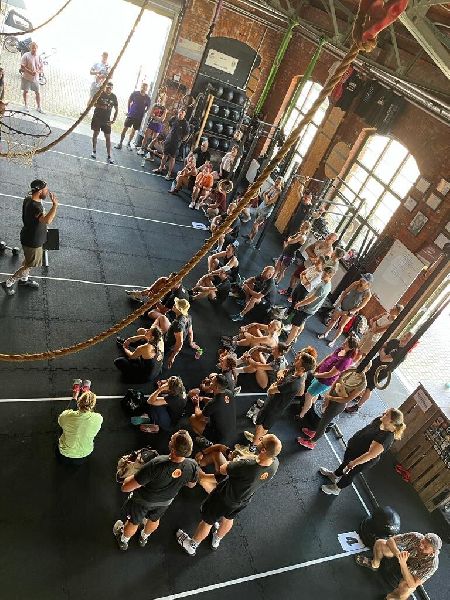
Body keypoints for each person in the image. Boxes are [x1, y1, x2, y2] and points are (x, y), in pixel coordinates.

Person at [176, 433, 282, 555]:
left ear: (263, 450)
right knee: (228, 518)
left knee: (208, 521)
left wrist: (238, 460)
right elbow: (257, 463)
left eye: (261, 440)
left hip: (224, 498)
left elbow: (223, 469)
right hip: (243, 500)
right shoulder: (275, 463)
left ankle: (192, 545)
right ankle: (217, 539)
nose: (259, 439)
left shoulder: (246, 466)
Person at [113, 430, 198, 550]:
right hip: (165, 502)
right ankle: (144, 538)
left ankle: (123, 540)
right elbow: (191, 485)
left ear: (173, 449)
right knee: (154, 519)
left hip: (143, 501)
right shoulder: (192, 465)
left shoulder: (156, 464)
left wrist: (131, 475)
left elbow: (126, 487)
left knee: (133, 522)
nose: (170, 439)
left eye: (172, 439)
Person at [319, 408, 405, 495]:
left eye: (386, 414)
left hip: (361, 459)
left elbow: (370, 454)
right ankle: (334, 476)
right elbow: (366, 431)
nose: (383, 414)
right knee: (345, 463)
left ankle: (337, 488)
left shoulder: (386, 438)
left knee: (349, 474)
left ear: (392, 422)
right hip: (354, 450)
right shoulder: (379, 420)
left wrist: (354, 463)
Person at [244, 350, 317, 449]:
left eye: (299, 360)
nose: (296, 358)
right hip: (273, 401)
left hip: (274, 407)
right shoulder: (294, 369)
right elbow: (281, 372)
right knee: (263, 423)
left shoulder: (294, 383)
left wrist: (276, 383)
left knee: (261, 424)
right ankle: (256, 439)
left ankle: (253, 445)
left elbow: (270, 390)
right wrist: (280, 376)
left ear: (302, 368)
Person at [2, 180, 58, 296]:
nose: (47, 191)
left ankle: (24, 280)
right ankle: (8, 283)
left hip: (28, 236)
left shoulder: (28, 199)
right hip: (33, 242)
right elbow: (47, 220)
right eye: (45, 189)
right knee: (29, 265)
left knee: (28, 261)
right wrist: (55, 206)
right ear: (39, 191)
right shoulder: (36, 206)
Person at [297, 365, 369, 449]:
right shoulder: (351, 369)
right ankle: (314, 432)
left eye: (364, 366)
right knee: (322, 417)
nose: (361, 366)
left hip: (338, 405)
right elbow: (337, 381)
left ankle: (312, 442)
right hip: (332, 396)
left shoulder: (362, 384)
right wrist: (328, 396)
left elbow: (347, 399)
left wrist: (331, 398)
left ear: (367, 369)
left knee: (324, 423)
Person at [355, 531, 441, 600]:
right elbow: (390, 540)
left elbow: (413, 584)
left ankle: (390, 598)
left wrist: (403, 564)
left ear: (432, 552)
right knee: (380, 543)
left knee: (407, 589)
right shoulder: (415, 537)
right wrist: (398, 554)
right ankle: (374, 564)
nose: (421, 546)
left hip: (409, 573)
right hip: (400, 557)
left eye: (425, 547)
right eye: (422, 542)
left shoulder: (432, 565)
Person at [346, 332, 414, 414]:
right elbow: (381, 346)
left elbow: (384, 358)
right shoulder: (395, 341)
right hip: (376, 362)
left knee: (369, 387)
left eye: (407, 338)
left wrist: (382, 350)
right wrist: (382, 350)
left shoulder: (402, 353)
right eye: (405, 336)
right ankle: (357, 395)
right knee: (363, 378)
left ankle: (357, 406)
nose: (405, 338)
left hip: (382, 371)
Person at [296, 335, 359, 421]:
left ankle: (301, 415)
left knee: (309, 394)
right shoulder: (341, 349)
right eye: (345, 341)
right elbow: (328, 357)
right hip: (320, 374)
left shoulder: (345, 361)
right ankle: (308, 408)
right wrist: (318, 367)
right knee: (313, 394)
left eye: (346, 344)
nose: (343, 343)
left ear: (351, 348)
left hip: (325, 381)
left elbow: (331, 374)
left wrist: (317, 375)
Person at [318, 273, 373, 347]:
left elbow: (360, 306)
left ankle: (333, 341)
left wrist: (349, 312)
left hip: (350, 311)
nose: (362, 280)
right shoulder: (355, 283)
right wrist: (339, 302)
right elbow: (345, 292)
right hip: (342, 305)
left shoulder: (368, 294)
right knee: (333, 320)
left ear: (368, 283)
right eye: (362, 278)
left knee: (341, 326)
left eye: (364, 280)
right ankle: (325, 333)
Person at [285, 267, 335, 346]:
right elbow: (312, 294)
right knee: (301, 323)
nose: (322, 275)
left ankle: (287, 344)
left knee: (295, 326)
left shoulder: (323, 287)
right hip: (309, 308)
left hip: (308, 309)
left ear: (330, 276)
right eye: (323, 273)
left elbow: (311, 299)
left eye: (325, 275)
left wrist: (299, 304)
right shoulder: (326, 283)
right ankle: (295, 337)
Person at [281, 232, 338, 297]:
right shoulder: (320, 242)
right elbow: (307, 249)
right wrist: (313, 257)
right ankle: (289, 292)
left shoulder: (329, 251)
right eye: (328, 236)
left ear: (333, 241)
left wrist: (312, 255)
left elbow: (317, 261)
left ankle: (294, 298)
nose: (327, 238)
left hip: (313, 270)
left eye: (330, 238)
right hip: (307, 263)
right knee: (294, 276)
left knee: (302, 284)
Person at [150, 297, 199, 368]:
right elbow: (190, 332)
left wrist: (172, 356)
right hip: (171, 333)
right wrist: (191, 343)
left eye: (175, 305)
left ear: (179, 310)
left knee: (143, 331)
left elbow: (180, 343)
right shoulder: (188, 317)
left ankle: (151, 334)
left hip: (167, 342)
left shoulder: (178, 324)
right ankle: (152, 331)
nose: (173, 305)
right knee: (162, 317)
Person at [189, 373, 236, 445]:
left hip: (219, 438)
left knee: (193, 418)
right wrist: (203, 399)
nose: (209, 382)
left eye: (212, 382)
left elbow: (199, 417)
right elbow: (218, 402)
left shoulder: (213, 403)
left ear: (216, 387)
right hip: (231, 433)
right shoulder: (228, 393)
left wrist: (196, 404)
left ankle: (208, 441)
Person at [57, 391, 103, 465]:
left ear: (78, 402)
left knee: (63, 425)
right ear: (93, 405)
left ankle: (74, 396)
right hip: (84, 454)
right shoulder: (98, 418)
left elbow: (60, 422)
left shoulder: (65, 416)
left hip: (64, 453)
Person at [244, 177, 284, 243]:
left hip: (266, 210)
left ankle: (251, 239)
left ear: (281, 183)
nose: (276, 183)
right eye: (276, 181)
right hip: (262, 206)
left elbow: (268, 202)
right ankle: (249, 235)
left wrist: (266, 196)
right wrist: (266, 197)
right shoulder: (273, 187)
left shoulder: (279, 192)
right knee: (255, 222)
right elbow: (263, 194)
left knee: (256, 224)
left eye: (278, 182)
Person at [153, 108, 189, 180]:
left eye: (182, 113)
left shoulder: (185, 123)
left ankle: (169, 174)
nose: (180, 113)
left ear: (184, 114)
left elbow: (187, 134)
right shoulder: (173, 118)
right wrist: (170, 134)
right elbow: (170, 126)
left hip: (176, 143)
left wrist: (181, 140)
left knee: (172, 158)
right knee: (165, 155)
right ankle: (160, 168)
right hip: (169, 140)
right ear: (178, 112)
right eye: (180, 112)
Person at [115, 83, 150, 150]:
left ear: (146, 89)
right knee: (125, 129)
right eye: (142, 87)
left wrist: (143, 112)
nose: (143, 88)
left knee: (133, 131)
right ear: (141, 87)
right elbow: (129, 101)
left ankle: (128, 143)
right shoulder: (135, 93)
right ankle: (120, 143)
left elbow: (148, 107)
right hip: (131, 115)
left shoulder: (147, 98)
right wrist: (129, 110)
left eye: (145, 87)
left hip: (139, 118)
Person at [90, 81, 118, 164]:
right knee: (96, 134)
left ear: (112, 88)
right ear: (105, 87)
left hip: (107, 120)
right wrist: (101, 106)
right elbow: (93, 103)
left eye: (110, 88)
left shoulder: (113, 97)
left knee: (108, 137)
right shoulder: (100, 93)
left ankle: (109, 156)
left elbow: (116, 109)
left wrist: (113, 120)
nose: (108, 89)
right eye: (107, 87)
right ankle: (94, 151)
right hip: (97, 118)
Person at [138, 89, 167, 153]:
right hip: (152, 123)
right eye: (160, 98)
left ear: (164, 100)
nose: (160, 99)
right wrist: (157, 118)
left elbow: (162, 119)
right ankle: (142, 149)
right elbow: (151, 114)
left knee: (154, 140)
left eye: (162, 99)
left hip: (158, 125)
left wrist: (155, 117)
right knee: (146, 136)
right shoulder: (155, 105)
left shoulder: (164, 109)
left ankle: (149, 152)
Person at [20, 41, 43, 113]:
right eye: (32, 48)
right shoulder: (26, 55)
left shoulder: (39, 57)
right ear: (30, 48)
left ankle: (39, 107)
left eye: (35, 48)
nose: (34, 49)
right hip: (26, 77)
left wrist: (37, 72)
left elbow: (41, 68)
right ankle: (26, 105)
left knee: (38, 92)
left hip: (35, 79)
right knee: (26, 91)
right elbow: (22, 66)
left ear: (37, 48)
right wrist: (30, 72)